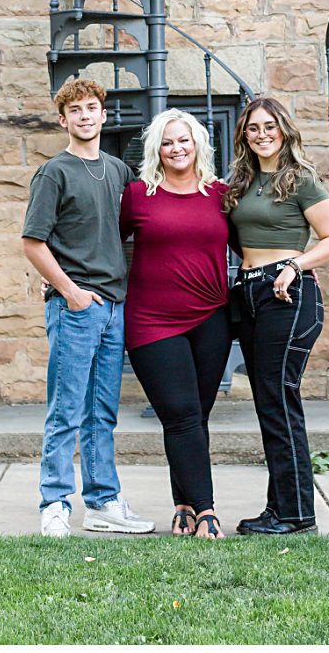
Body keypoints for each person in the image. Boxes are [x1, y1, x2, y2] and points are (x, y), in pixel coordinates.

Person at [20, 80, 155, 538]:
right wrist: (70, 292)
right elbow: (33, 243)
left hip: (114, 307)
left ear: (103, 116)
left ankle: (102, 503)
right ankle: (54, 502)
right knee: (66, 411)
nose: (84, 116)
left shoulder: (119, 170)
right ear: (63, 120)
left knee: (103, 412)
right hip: (76, 308)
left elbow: (141, 228)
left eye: (91, 108)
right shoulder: (53, 173)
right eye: (74, 110)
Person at [226, 94, 329, 536]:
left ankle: (297, 514)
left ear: (284, 131)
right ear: (244, 134)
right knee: (267, 403)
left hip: (288, 293)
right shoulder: (241, 180)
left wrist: (295, 265)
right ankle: (280, 507)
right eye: (253, 128)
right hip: (248, 292)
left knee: (280, 398)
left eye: (269, 127)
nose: (262, 135)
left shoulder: (301, 180)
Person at [120, 109, 233, 539]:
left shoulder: (221, 194)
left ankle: (183, 504)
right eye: (167, 142)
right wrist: (65, 279)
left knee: (192, 417)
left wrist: (297, 264)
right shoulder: (138, 195)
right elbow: (106, 244)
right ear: (156, 150)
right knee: (182, 414)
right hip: (152, 323)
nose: (176, 148)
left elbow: (251, 243)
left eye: (184, 140)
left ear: (198, 144)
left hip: (211, 318)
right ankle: (206, 513)